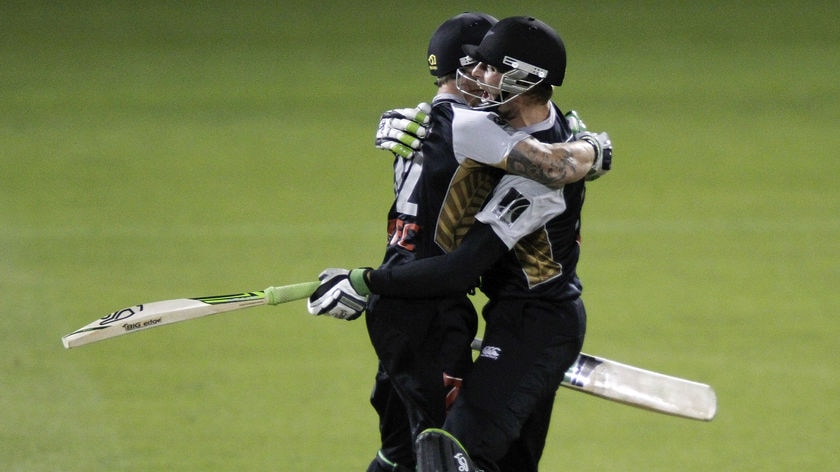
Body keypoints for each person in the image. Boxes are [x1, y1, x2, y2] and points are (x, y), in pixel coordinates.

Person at [308, 16, 611, 472]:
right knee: (458, 458)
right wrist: (594, 148)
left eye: (491, 68)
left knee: (451, 458)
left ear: (526, 77)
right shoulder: (526, 128)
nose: (479, 79)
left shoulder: (533, 173)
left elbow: (464, 264)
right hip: (504, 315)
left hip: (539, 323)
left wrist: (366, 281)